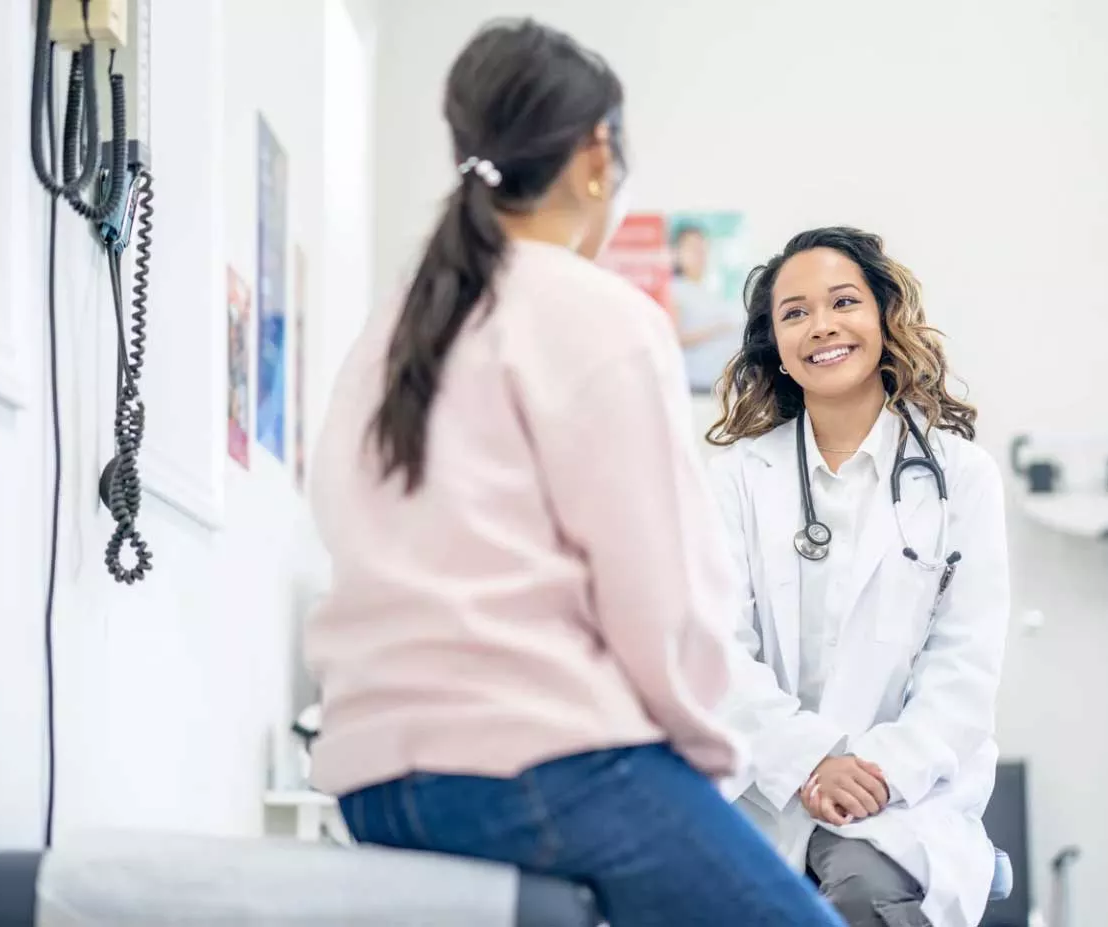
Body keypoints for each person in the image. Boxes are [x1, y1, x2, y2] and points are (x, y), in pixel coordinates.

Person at [303, 20, 846, 927]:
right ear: (597, 154)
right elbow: (660, 600)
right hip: (541, 769)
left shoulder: (393, 329)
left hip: (373, 785)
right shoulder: (599, 316)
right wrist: (706, 771)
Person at [705, 227, 1011, 927]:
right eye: (795, 313)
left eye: (843, 301)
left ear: (883, 317)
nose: (822, 326)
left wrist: (869, 773)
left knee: (863, 894)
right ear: (775, 346)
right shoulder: (735, 480)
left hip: (902, 797)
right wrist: (810, 762)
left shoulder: (960, 477)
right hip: (766, 787)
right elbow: (716, 652)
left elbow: (962, 670)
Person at [669, 224, 743, 393]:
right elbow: (673, 338)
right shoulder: (675, 290)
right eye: (693, 249)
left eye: (703, 249)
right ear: (677, 253)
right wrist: (717, 328)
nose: (700, 255)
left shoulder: (708, 290)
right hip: (695, 385)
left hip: (720, 384)